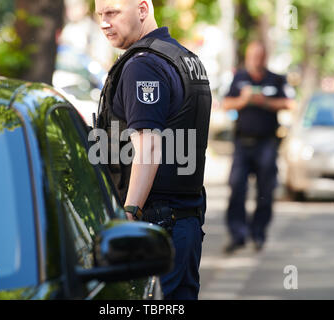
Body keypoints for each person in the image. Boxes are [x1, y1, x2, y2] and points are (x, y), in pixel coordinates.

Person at [94, 0, 211, 299]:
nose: (104, 23)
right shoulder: (185, 58)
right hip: (184, 221)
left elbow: (148, 147)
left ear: (143, 9)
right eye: (100, 15)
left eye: (112, 13)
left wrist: (129, 216)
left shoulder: (142, 64)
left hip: (155, 227)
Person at [222, 41, 294, 254]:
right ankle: (238, 234)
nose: (256, 59)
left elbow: (290, 103)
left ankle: (258, 233)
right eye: (252, 55)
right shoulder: (239, 78)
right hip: (242, 142)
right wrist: (243, 100)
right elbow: (226, 103)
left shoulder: (276, 79)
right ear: (247, 56)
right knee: (236, 188)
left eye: (260, 55)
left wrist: (265, 102)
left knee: (266, 191)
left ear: (265, 57)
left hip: (267, 142)